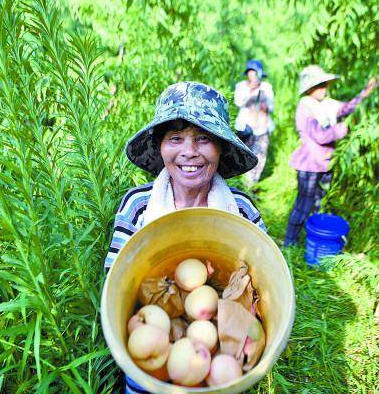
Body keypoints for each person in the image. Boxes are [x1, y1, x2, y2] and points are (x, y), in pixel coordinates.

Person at [103, 81, 266, 394]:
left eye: (203, 139)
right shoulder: (138, 206)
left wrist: (242, 325)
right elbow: (116, 285)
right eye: (175, 138)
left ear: (220, 148)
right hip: (151, 357)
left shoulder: (241, 210)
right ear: (161, 147)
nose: (189, 152)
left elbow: (264, 285)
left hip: (220, 359)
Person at [284, 65, 378, 247]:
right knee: (304, 203)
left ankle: (310, 237)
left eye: (325, 84)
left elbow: (347, 108)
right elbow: (320, 135)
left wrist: (365, 93)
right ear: (310, 88)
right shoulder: (306, 107)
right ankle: (290, 241)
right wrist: (342, 129)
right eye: (320, 85)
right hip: (310, 164)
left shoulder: (326, 103)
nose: (324, 88)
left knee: (319, 202)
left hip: (326, 163)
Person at [234, 59, 275, 186]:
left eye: (255, 72)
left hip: (262, 128)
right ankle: (241, 183)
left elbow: (271, 107)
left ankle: (251, 185)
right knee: (244, 155)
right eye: (250, 72)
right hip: (245, 128)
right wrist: (249, 91)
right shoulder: (241, 86)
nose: (253, 75)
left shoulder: (267, 87)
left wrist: (265, 105)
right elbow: (238, 102)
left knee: (260, 156)